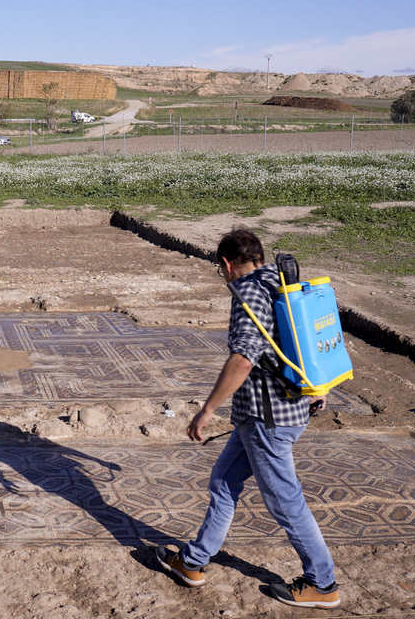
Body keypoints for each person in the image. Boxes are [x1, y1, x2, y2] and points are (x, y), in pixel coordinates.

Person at [155, 228, 339, 610]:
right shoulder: (286, 280)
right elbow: (317, 332)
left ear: (225, 264)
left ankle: (323, 584)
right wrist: (320, 385)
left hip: (266, 418)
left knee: (286, 502)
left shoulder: (248, 293)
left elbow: (242, 359)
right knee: (223, 482)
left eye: (219, 270)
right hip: (287, 409)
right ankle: (192, 562)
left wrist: (207, 410)